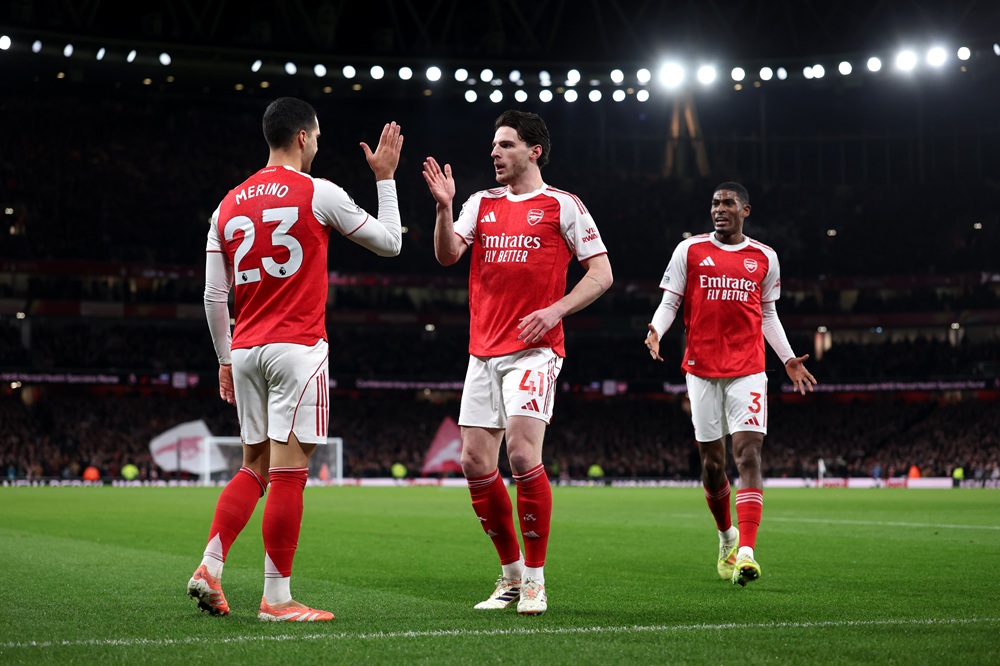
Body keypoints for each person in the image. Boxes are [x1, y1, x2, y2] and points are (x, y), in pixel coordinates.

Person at [187, 97, 404, 621]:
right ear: (304, 137)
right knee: (290, 473)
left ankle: (209, 567)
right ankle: (277, 599)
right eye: (319, 137)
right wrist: (386, 179)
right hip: (298, 348)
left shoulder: (227, 205)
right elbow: (391, 243)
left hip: (245, 352)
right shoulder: (318, 192)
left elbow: (215, 299)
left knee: (253, 467)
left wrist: (223, 358)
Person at [422, 110, 613, 615]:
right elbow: (446, 256)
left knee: (523, 456)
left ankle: (535, 579)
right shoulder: (479, 203)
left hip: (535, 349)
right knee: (473, 462)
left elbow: (602, 273)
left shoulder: (561, 205)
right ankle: (508, 577)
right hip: (482, 351)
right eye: (493, 145)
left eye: (505, 145)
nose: (494, 153)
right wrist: (444, 209)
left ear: (534, 151)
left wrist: (556, 309)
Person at [644, 182, 815, 587]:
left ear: (745, 210)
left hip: (749, 369)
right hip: (701, 370)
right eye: (715, 204)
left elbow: (768, 314)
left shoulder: (764, 258)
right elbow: (671, 301)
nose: (719, 209)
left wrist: (787, 359)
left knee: (749, 455)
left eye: (727, 204)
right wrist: (656, 329)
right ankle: (726, 538)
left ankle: (748, 553)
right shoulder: (689, 251)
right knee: (712, 465)